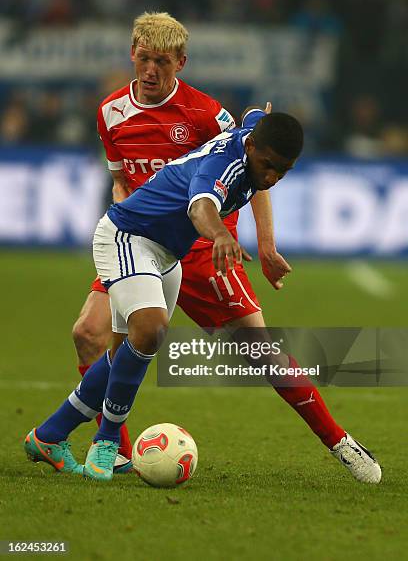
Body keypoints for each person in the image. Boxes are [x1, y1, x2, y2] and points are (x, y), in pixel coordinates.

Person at [25, 108, 381, 485]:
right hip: (129, 237)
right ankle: (108, 442)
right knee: (148, 331)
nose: (272, 177)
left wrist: (265, 245)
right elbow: (201, 207)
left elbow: (254, 114)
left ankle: (49, 435)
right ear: (252, 146)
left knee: (129, 352)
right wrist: (221, 235)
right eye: (268, 165)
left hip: (167, 254)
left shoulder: (252, 137)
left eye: (283, 171)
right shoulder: (222, 167)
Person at [71, 11, 292, 471]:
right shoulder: (110, 112)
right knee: (89, 335)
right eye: (145, 59)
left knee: (255, 348)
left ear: (181, 63)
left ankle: (88, 440)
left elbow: (251, 172)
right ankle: (117, 452)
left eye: (163, 63)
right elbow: (120, 181)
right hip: (138, 236)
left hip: (196, 243)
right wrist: (123, 212)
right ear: (132, 54)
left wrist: (266, 245)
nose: (151, 70)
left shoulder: (208, 114)